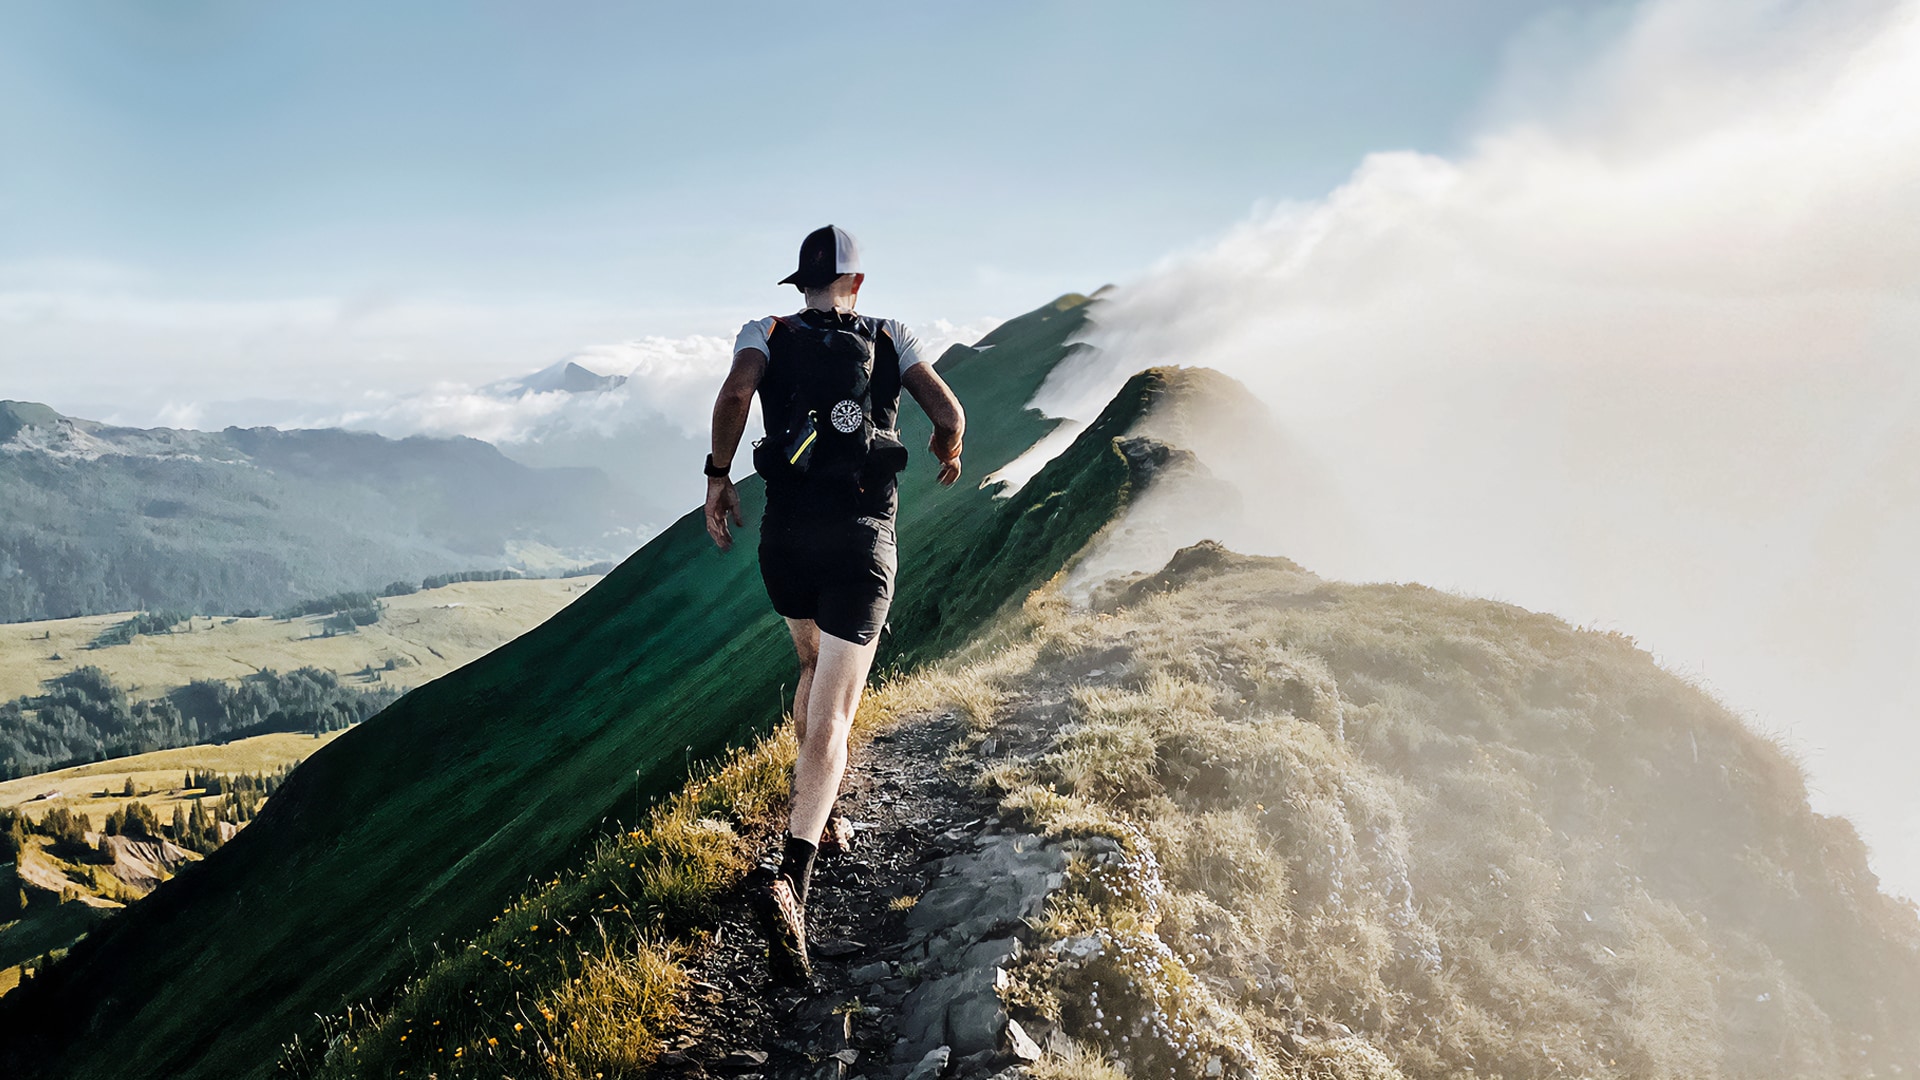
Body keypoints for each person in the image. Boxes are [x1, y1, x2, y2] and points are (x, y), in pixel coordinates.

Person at [704, 224, 966, 986]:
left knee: (812, 663)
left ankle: (820, 810)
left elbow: (734, 394)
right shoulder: (891, 334)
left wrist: (718, 477)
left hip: (785, 543)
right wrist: (948, 449)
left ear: (802, 285)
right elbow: (946, 413)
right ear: (857, 283)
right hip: (860, 545)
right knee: (837, 718)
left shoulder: (767, 331)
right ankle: (796, 878)